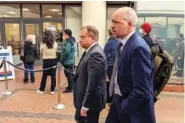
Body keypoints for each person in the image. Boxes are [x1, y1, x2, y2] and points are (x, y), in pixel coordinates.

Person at [105, 7, 156, 123]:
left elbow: (143, 89)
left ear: (129, 24)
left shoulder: (137, 47)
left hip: (132, 110)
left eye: (116, 22)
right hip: (119, 100)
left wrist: (125, 107)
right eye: (112, 21)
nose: (112, 25)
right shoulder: (124, 43)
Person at [73, 25, 107, 123]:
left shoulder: (95, 54)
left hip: (90, 103)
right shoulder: (90, 51)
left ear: (92, 38)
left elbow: (93, 84)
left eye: (82, 37)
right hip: (85, 100)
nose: (80, 40)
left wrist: (85, 106)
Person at [37, 30, 58, 95]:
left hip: (46, 60)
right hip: (54, 60)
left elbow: (41, 52)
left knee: (44, 75)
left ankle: (41, 90)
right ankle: (52, 90)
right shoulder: (55, 43)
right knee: (53, 76)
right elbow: (56, 50)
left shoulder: (42, 43)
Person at [104, 29, 119, 104]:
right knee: (113, 83)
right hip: (111, 66)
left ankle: (112, 99)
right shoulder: (111, 43)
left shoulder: (115, 42)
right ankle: (111, 99)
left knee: (113, 83)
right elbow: (105, 56)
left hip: (112, 65)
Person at [61, 29, 75, 93]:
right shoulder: (72, 41)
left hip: (68, 61)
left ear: (67, 35)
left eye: (64, 34)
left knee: (69, 75)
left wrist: (62, 59)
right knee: (69, 75)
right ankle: (70, 86)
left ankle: (70, 89)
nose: (63, 36)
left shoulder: (68, 42)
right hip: (71, 60)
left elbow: (66, 52)